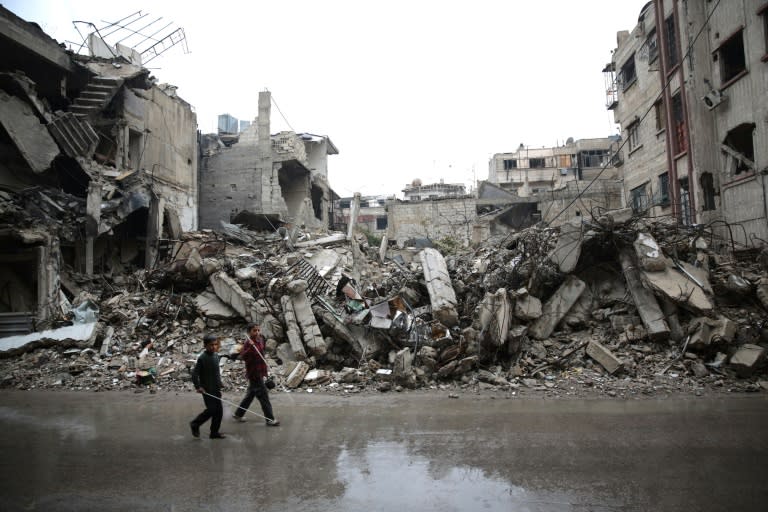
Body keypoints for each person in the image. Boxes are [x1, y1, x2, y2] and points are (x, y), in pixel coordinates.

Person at [232, 323, 280, 426]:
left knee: (250, 395)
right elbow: (243, 356)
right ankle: (270, 419)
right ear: (249, 332)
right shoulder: (247, 344)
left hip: (260, 371)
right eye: (254, 330)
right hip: (254, 373)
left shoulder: (260, 339)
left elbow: (262, 355)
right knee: (264, 397)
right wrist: (251, 348)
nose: (257, 332)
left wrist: (265, 372)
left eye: (258, 330)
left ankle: (238, 414)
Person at [190, 333, 226, 439]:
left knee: (219, 412)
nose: (214, 347)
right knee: (211, 410)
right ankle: (195, 424)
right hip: (207, 390)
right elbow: (194, 374)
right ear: (205, 346)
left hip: (216, 388)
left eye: (215, 345)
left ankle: (214, 432)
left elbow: (215, 371)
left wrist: (220, 382)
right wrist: (198, 387)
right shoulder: (202, 358)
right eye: (211, 345)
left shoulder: (215, 356)